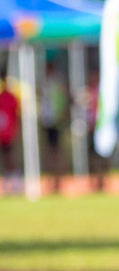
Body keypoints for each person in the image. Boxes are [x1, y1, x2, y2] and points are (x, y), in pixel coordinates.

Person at [39, 59, 67, 194]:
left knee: (55, 153)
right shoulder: (44, 84)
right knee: (49, 153)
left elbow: (61, 101)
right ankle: (51, 181)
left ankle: (57, 181)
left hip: (55, 122)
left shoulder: (56, 84)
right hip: (47, 122)